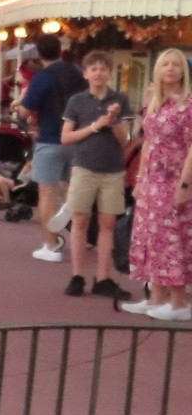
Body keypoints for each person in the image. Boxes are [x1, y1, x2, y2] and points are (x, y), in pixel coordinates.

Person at [122, 49, 192, 321]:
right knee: (151, 238)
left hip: (175, 178)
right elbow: (148, 141)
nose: (171, 69)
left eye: (176, 65)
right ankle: (155, 297)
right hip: (153, 179)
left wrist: (185, 185)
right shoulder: (155, 104)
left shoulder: (187, 106)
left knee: (172, 239)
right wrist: (140, 178)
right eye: (166, 64)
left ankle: (179, 302)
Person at [59, 52, 131, 302]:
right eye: (94, 69)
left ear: (110, 72)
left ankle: (103, 277)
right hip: (84, 167)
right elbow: (66, 137)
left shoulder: (120, 100)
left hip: (112, 169)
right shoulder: (77, 102)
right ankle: (77, 275)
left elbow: (125, 140)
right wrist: (95, 126)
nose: (99, 73)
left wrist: (113, 122)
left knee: (108, 223)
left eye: (103, 68)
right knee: (80, 220)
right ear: (86, 73)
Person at [19, 36, 85, 265]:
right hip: (78, 138)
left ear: (38, 54)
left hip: (50, 139)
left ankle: (51, 245)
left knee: (46, 193)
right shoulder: (77, 73)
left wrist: (20, 107)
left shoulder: (42, 78)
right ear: (60, 50)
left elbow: (25, 112)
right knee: (71, 189)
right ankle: (79, 239)